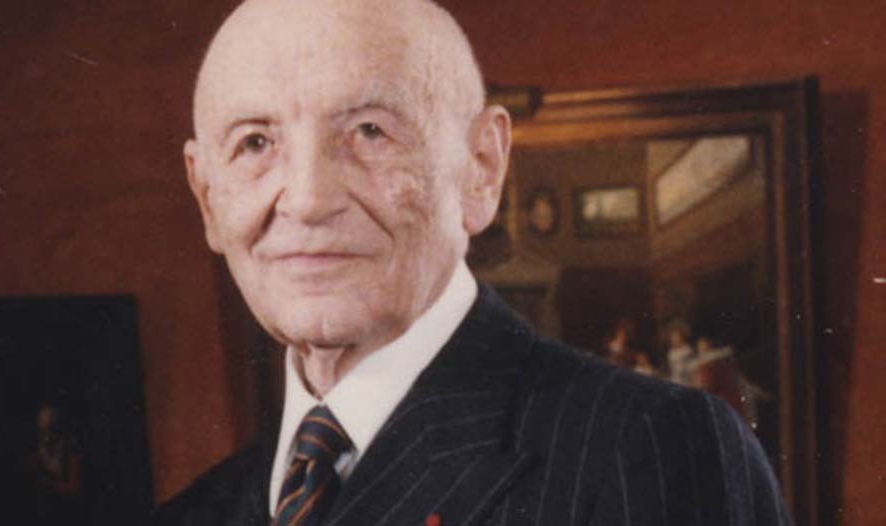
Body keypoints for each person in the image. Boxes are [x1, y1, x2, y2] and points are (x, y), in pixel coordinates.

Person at [155, 1, 787, 525]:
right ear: (207, 196)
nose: (308, 199)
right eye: (255, 143)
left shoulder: (650, 448)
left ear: (482, 167)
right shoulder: (192, 514)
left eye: (370, 131)